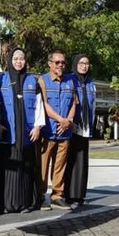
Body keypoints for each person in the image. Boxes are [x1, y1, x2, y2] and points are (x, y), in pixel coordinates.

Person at [0, 48, 45, 213]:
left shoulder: (32, 80)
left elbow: (39, 105)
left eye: (22, 59)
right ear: (10, 60)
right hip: (8, 135)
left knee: (27, 169)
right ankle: (8, 204)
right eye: (16, 58)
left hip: (28, 135)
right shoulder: (1, 80)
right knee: (9, 170)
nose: (19, 62)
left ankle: (26, 203)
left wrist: (38, 126)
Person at [38, 51, 76, 210]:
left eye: (63, 62)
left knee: (60, 166)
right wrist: (61, 120)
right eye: (57, 62)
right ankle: (40, 196)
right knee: (43, 167)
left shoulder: (70, 81)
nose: (60, 65)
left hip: (65, 133)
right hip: (48, 132)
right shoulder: (43, 80)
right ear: (50, 63)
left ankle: (57, 196)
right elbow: (44, 105)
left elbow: (73, 104)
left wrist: (68, 121)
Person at [66, 54, 95, 207]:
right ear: (76, 64)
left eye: (87, 63)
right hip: (72, 126)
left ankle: (80, 194)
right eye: (81, 63)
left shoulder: (90, 83)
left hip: (85, 127)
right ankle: (68, 194)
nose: (84, 66)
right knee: (70, 160)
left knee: (82, 161)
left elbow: (92, 105)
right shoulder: (69, 79)